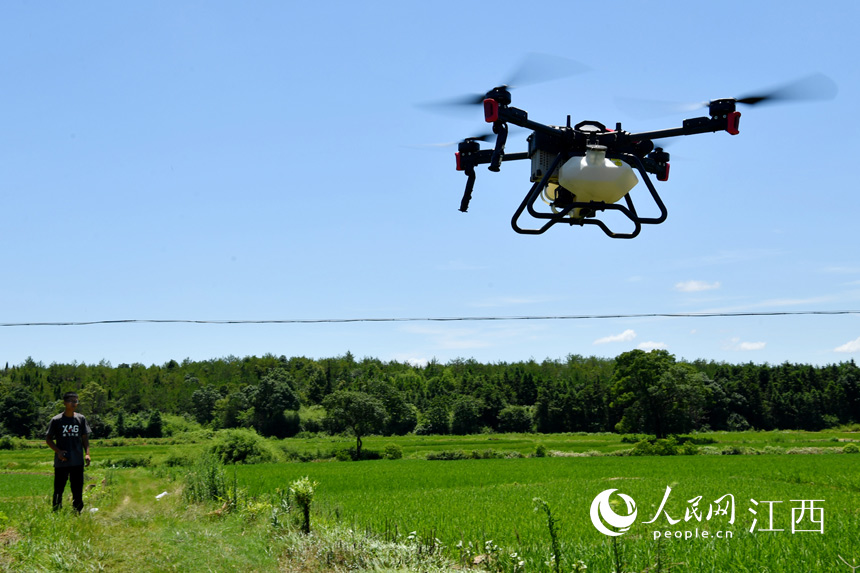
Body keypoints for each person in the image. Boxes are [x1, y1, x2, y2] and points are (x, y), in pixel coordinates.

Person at [45, 392, 91, 512]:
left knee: (77, 489)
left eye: (76, 401)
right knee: (59, 489)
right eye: (71, 401)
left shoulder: (81, 419)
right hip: (62, 462)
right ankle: (56, 511)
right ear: (65, 403)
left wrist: (87, 454)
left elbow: (85, 438)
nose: (74, 403)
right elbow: (48, 439)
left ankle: (77, 512)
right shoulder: (56, 420)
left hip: (77, 461)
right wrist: (58, 452)